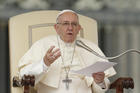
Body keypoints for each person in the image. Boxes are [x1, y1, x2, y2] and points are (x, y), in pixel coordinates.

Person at [19, 9, 116, 93]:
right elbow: (24, 76)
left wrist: (99, 82)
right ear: (57, 28)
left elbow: (102, 88)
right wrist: (44, 63)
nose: (70, 28)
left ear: (79, 28)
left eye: (74, 24)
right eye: (65, 24)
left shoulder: (90, 47)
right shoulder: (42, 44)